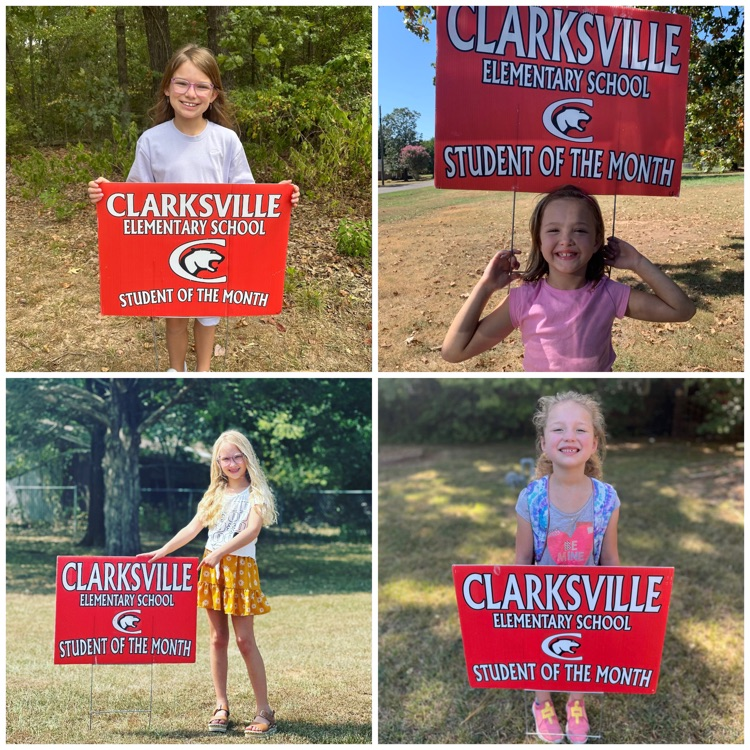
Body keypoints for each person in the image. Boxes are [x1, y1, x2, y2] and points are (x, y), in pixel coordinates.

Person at [87, 44, 300, 372]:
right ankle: (176, 369)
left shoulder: (226, 141)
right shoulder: (151, 141)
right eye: (182, 83)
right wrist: (105, 195)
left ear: (214, 95)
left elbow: (247, 197)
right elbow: (133, 198)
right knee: (174, 316)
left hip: (215, 246)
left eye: (202, 86)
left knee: (208, 316)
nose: (191, 93)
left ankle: (203, 371)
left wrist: (281, 198)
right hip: (167, 248)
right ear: (167, 88)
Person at [441, 185, 695, 371]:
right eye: (553, 230)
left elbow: (682, 310)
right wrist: (485, 287)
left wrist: (638, 263)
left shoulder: (608, 293)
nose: (566, 239)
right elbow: (454, 352)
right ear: (539, 241)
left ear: (596, 241)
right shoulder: (524, 300)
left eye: (580, 230)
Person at [137, 430, 278, 737]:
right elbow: (192, 528)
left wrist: (220, 553)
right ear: (218, 461)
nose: (232, 463)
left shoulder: (256, 492)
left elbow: (252, 531)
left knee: (245, 641)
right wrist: (163, 550)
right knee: (217, 639)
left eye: (237, 456)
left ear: (247, 456)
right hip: (212, 568)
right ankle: (221, 705)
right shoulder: (214, 494)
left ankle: (264, 710)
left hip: (239, 568)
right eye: (226, 458)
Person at [515, 391, 620, 744]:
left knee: (580, 652)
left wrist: (616, 600)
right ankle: (541, 702)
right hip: (541, 604)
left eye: (580, 429)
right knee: (540, 652)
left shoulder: (608, 498)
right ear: (544, 444)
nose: (569, 436)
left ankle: (577, 701)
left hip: (587, 604)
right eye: (558, 429)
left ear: (594, 443)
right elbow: (521, 561)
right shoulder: (531, 497)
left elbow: (609, 558)